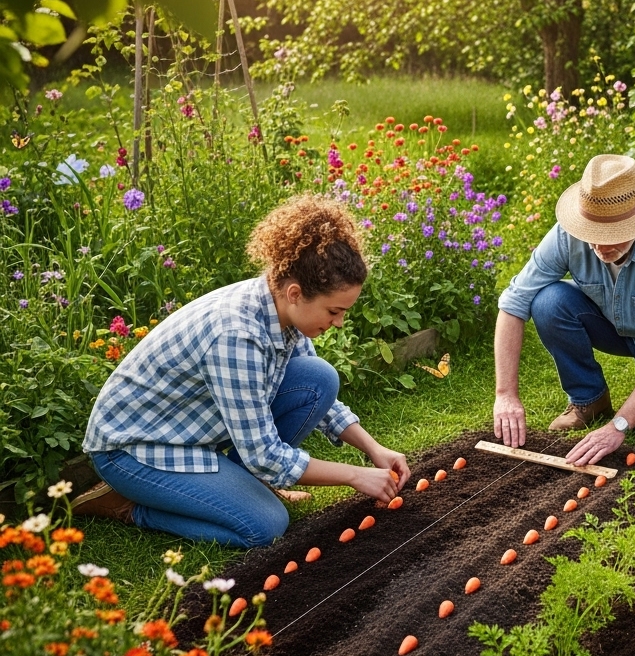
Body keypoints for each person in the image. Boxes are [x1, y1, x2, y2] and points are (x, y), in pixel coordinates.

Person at [72, 194, 411, 547]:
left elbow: (322, 403)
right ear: (296, 293)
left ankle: (245, 487)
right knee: (264, 525)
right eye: (333, 311)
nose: (339, 322)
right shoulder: (237, 337)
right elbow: (265, 456)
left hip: (186, 430)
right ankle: (128, 505)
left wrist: (375, 449)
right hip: (135, 449)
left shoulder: (279, 308)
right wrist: (356, 476)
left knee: (319, 377)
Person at [493, 153, 635, 467]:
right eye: (592, 235)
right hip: (614, 323)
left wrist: (618, 426)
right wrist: (505, 393)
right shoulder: (566, 235)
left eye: (612, 235)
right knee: (547, 302)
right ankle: (590, 400)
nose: (599, 247)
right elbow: (513, 302)